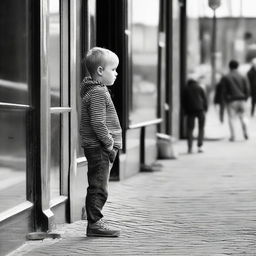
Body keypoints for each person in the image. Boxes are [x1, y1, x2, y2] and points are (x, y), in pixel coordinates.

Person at [80, 47, 122, 237]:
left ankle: (92, 215)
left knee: (98, 184)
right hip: (100, 147)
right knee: (99, 187)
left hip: (99, 147)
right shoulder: (97, 92)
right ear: (100, 71)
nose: (116, 73)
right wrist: (109, 144)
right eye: (113, 69)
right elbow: (98, 122)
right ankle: (95, 223)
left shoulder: (96, 90)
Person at [217, 60, 250, 141]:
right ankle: (245, 131)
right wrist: (246, 97)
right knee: (243, 117)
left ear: (229, 66)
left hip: (231, 101)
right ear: (237, 66)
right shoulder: (243, 76)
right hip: (242, 99)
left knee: (231, 118)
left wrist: (224, 100)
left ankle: (233, 136)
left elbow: (223, 91)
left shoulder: (226, 77)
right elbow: (247, 88)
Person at [182, 78, 208, 154]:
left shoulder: (186, 89)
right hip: (200, 110)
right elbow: (204, 99)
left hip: (190, 111)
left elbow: (183, 101)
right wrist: (205, 109)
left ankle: (190, 148)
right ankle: (200, 146)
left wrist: (185, 112)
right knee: (201, 128)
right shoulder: (200, 88)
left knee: (190, 129)